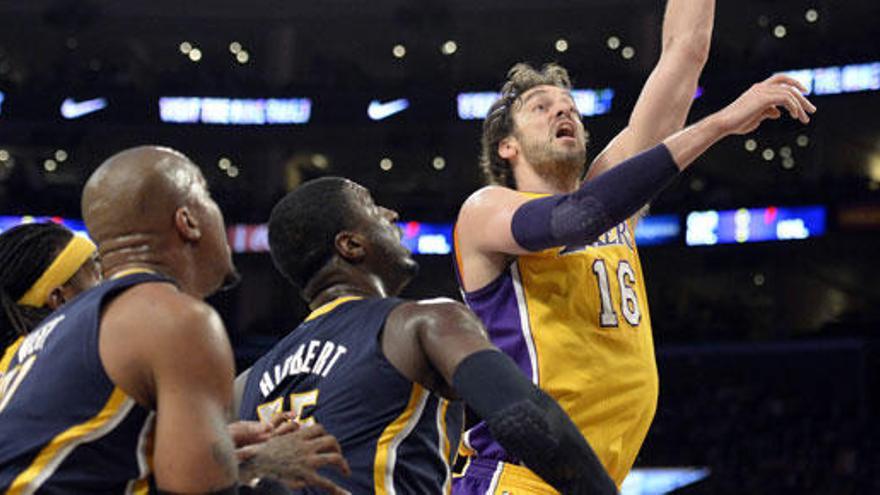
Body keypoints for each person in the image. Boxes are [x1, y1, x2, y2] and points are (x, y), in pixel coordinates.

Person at [452, 10, 816, 495]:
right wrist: (719, 124)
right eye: (541, 107)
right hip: (515, 478)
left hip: (592, 481)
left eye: (571, 107)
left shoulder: (613, 197)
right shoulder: (485, 211)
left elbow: (686, 52)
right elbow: (577, 218)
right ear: (506, 147)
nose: (564, 112)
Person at [236, 177, 619, 494]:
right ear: (351, 245)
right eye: (372, 207)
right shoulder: (424, 322)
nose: (391, 214)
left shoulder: (244, 385)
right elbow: (522, 414)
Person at [0, 146, 349, 494]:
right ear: (188, 221)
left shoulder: (48, 336)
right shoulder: (172, 319)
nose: (218, 212)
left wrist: (230, 458)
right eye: (208, 197)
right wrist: (269, 479)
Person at [0, 222, 101, 370]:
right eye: (96, 274)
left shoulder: (15, 360)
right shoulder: (80, 355)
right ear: (59, 298)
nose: (107, 284)